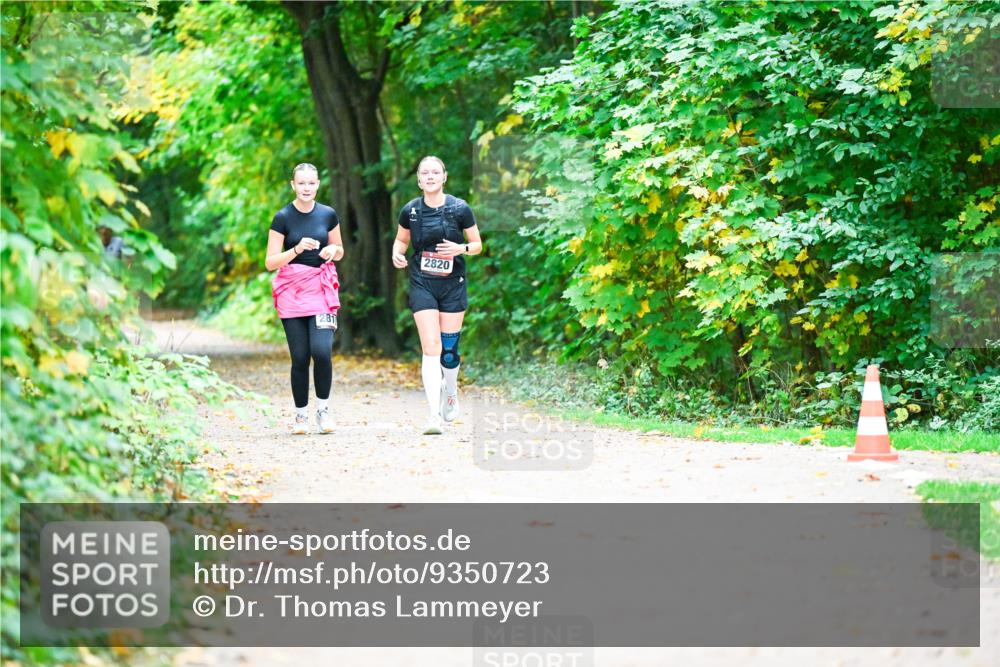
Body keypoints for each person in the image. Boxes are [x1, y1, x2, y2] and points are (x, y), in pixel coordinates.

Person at [392, 156, 482, 435]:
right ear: (419, 179)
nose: (430, 176)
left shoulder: (459, 208)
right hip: (422, 283)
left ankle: (451, 389)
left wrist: (461, 249)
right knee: (431, 347)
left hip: (453, 283)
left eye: (435, 172)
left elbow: (477, 244)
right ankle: (433, 415)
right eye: (424, 173)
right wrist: (397, 253)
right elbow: (401, 240)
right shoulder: (410, 211)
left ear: (444, 177)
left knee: (449, 350)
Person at [266, 163, 344, 435]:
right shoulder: (283, 217)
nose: (307, 188)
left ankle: (323, 411)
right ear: (293, 185)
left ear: (318, 184)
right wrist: (296, 249)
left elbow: (340, 249)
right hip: (292, 291)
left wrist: (332, 249)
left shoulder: (328, 214)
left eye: (311, 183)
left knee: (321, 352)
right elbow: (270, 262)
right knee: (300, 357)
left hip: (321, 289)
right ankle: (301, 415)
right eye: (302, 183)